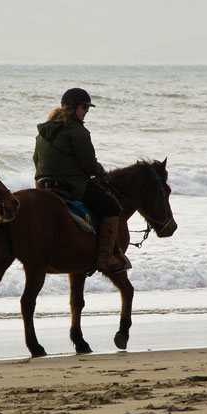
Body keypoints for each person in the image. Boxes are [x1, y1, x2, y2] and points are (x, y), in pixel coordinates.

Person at [33, 87, 130, 274]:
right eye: (84, 108)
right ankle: (105, 258)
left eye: (87, 108)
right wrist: (100, 172)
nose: (86, 112)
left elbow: (36, 160)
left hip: (43, 185)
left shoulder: (43, 131)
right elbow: (88, 165)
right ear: (74, 108)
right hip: (70, 186)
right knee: (111, 207)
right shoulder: (78, 131)